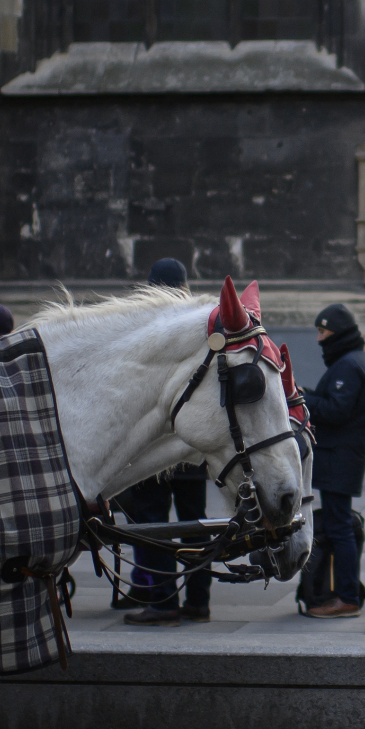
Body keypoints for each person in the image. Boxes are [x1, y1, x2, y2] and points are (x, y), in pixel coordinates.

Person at [117, 260, 215, 625]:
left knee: (153, 523)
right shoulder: (202, 325)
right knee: (195, 522)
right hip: (190, 445)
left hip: (153, 445)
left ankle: (161, 602)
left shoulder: (145, 328)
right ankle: (198, 602)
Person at [304, 302, 365, 619]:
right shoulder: (348, 361)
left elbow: (336, 411)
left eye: (323, 332)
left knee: (339, 528)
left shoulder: (348, 365)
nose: (320, 339)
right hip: (338, 457)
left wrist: (303, 397)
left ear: (338, 333)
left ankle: (347, 597)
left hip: (340, 458)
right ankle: (345, 592)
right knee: (339, 524)